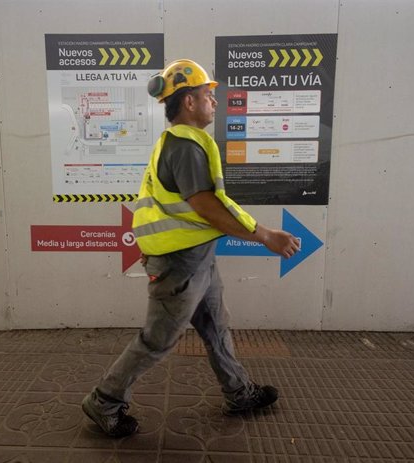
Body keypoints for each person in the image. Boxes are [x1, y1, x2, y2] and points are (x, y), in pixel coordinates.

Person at [81, 59, 301, 438]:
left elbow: (213, 203)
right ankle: (104, 400)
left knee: (216, 327)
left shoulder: (185, 143)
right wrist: (265, 235)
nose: (214, 101)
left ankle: (238, 392)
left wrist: (257, 231)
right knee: (158, 339)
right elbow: (208, 206)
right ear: (188, 102)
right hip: (178, 263)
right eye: (207, 95)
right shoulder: (184, 147)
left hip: (196, 257)